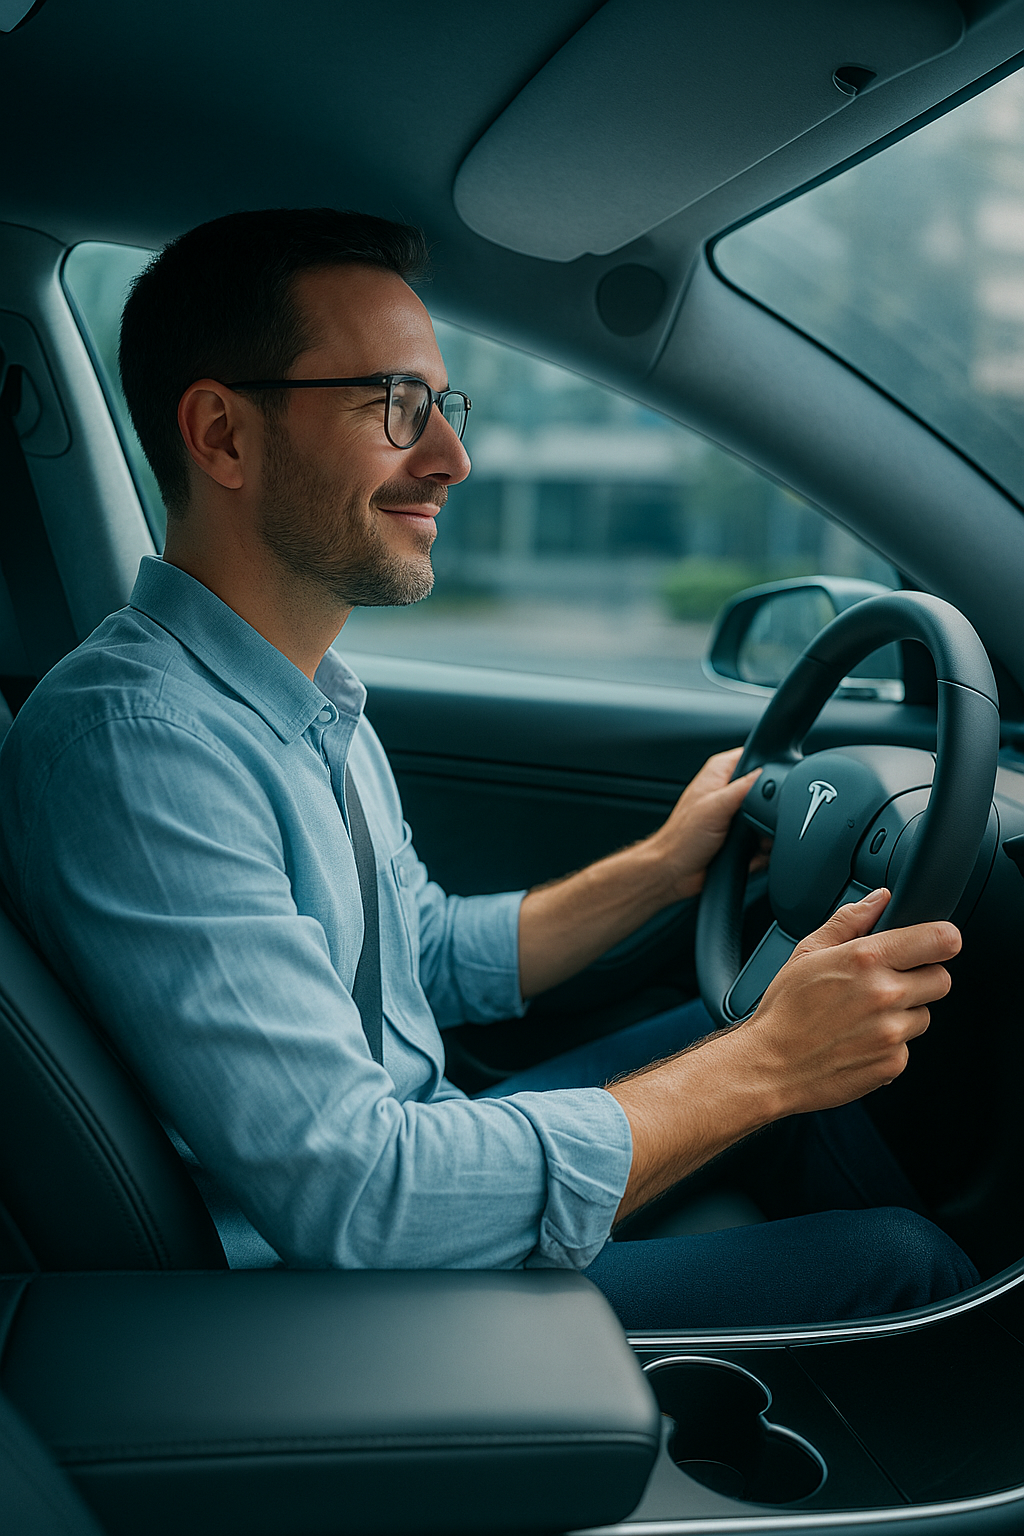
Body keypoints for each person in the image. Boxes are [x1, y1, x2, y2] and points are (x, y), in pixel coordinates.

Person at [0, 209, 977, 1327]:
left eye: (443, 406)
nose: (453, 459)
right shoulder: (139, 748)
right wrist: (766, 1065)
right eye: (393, 406)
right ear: (222, 435)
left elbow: (417, 956)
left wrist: (662, 868)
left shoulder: (303, 701)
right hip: (327, 1298)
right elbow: (361, 1198)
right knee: (901, 1259)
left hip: (407, 1148)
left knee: (765, 1041)